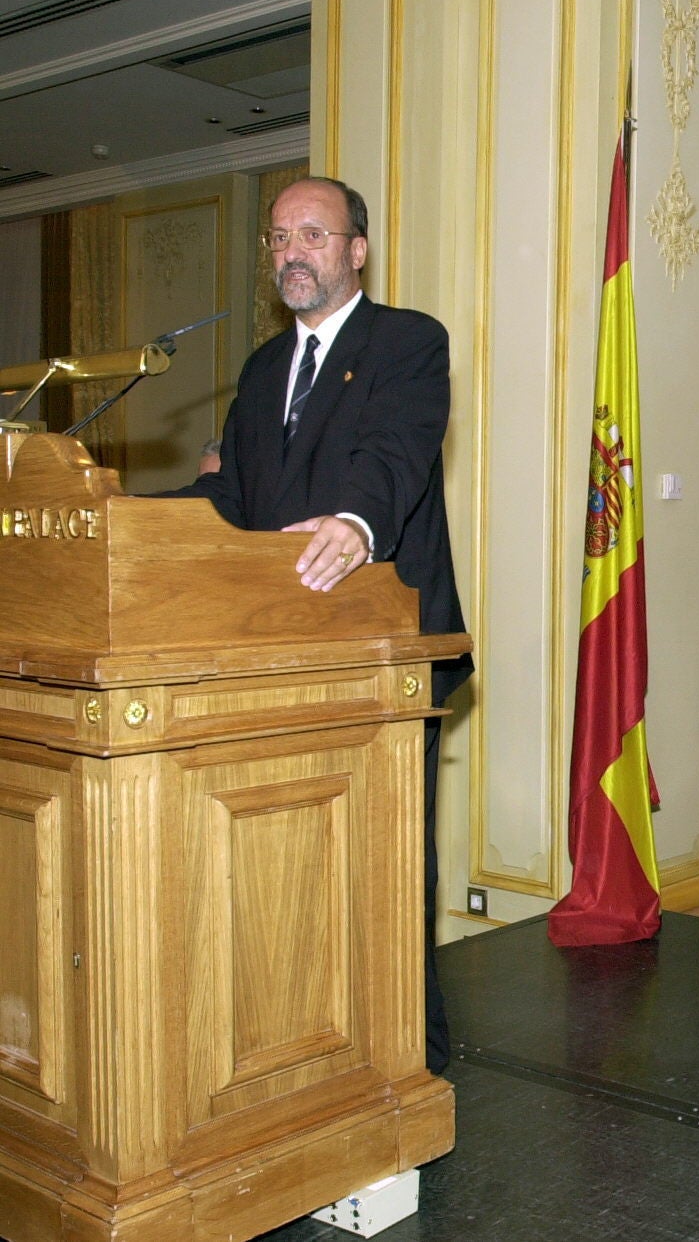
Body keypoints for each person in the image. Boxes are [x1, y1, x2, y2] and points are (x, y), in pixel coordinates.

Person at [163, 175, 471, 1074]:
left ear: (355, 251)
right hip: (276, 658)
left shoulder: (407, 342)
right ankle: (311, 1049)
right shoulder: (262, 371)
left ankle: (413, 1057)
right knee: (292, 872)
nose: (292, 250)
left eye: (313, 234)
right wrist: (134, 520)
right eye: (279, 237)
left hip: (383, 650)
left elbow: (394, 455)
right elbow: (231, 497)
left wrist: (356, 523)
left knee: (381, 870)